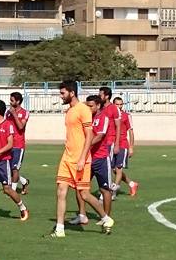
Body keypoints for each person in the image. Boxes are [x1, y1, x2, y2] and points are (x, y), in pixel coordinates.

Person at [50, 81, 115, 238]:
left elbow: (89, 135)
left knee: (84, 194)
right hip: (67, 157)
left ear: (72, 93)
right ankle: (60, 229)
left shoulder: (83, 110)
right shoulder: (70, 111)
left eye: (63, 93)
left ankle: (106, 218)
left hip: (80, 159)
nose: (61, 96)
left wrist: (82, 158)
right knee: (61, 191)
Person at [111, 97, 138, 198]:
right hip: (112, 144)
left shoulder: (126, 116)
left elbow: (131, 131)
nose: (119, 106)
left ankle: (113, 192)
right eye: (117, 104)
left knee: (118, 169)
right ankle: (132, 184)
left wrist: (131, 147)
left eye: (121, 104)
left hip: (122, 144)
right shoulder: (110, 115)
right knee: (114, 170)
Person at [7, 92, 30, 194]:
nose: (10, 102)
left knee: (15, 169)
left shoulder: (24, 113)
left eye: (12, 100)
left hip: (18, 145)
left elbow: (21, 127)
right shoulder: (8, 113)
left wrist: (14, 114)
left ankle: (13, 191)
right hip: (9, 144)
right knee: (10, 169)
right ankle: (24, 182)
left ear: (18, 101)